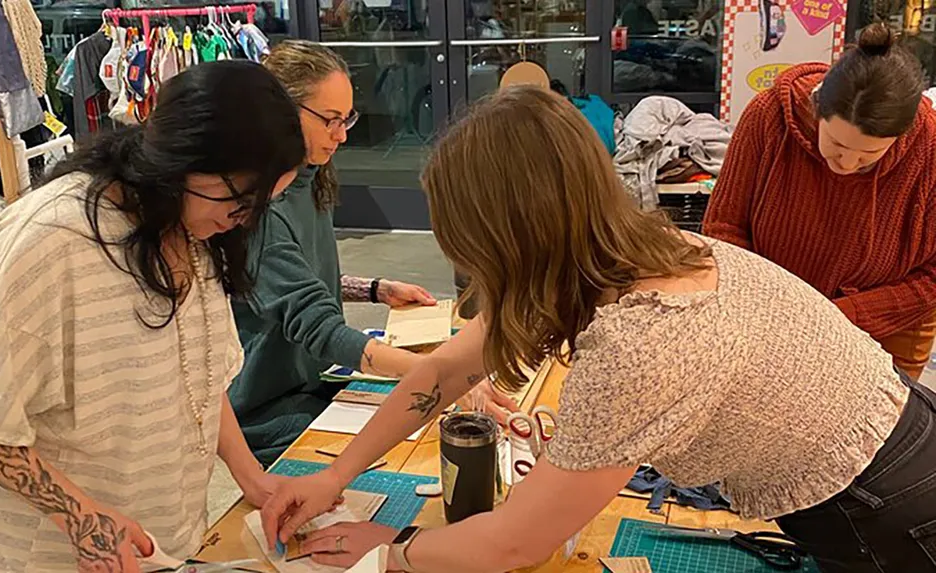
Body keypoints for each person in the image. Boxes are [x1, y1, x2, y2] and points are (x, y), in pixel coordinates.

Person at [259, 86, 936, 573]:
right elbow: (444, 368)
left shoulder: (641, 341)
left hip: (883, 501)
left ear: (510, 238)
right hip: (897, 443)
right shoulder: (614, 248)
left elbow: (513, 543)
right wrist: (337, 476)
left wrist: (389, 554)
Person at [0, 61, 305, 573]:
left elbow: (199, 381)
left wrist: (254, 480)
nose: (240, 221)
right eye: (238, 200)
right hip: (59, 559)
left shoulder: (190, 230)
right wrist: (82, 518)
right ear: (181, 160)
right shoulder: (50, 240)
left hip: (167, 546)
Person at [229, 40, 447, 466]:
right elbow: (316, 325)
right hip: (269, 411)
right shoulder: (263, 208)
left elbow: (298, 278)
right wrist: (428, 374)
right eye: (330, 119)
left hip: (308, 382)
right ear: (280, 112)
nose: (342, 134)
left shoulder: (308, 176)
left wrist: (375, 290)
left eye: (347, 118)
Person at [703, 23, 936, 379]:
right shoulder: (769, 116)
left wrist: (845, 314)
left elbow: (932, 277)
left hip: (888, 326)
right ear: (817, 109)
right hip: (773, 317)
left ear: (901, 137)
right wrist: (767, 305)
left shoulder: (930, 147)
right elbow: (724, 228)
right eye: (837, 145)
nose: (846, 164)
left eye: (868, 155)